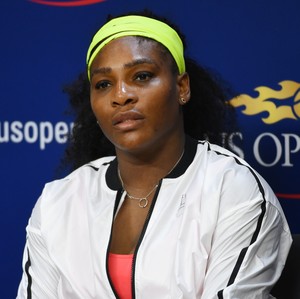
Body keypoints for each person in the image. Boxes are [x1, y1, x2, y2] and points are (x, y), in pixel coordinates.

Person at [17, 10, 292, 299]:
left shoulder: (233, 190)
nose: (121, 95)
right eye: (103, 84)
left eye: (142, 76)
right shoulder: (57, 203)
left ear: (181, 87)